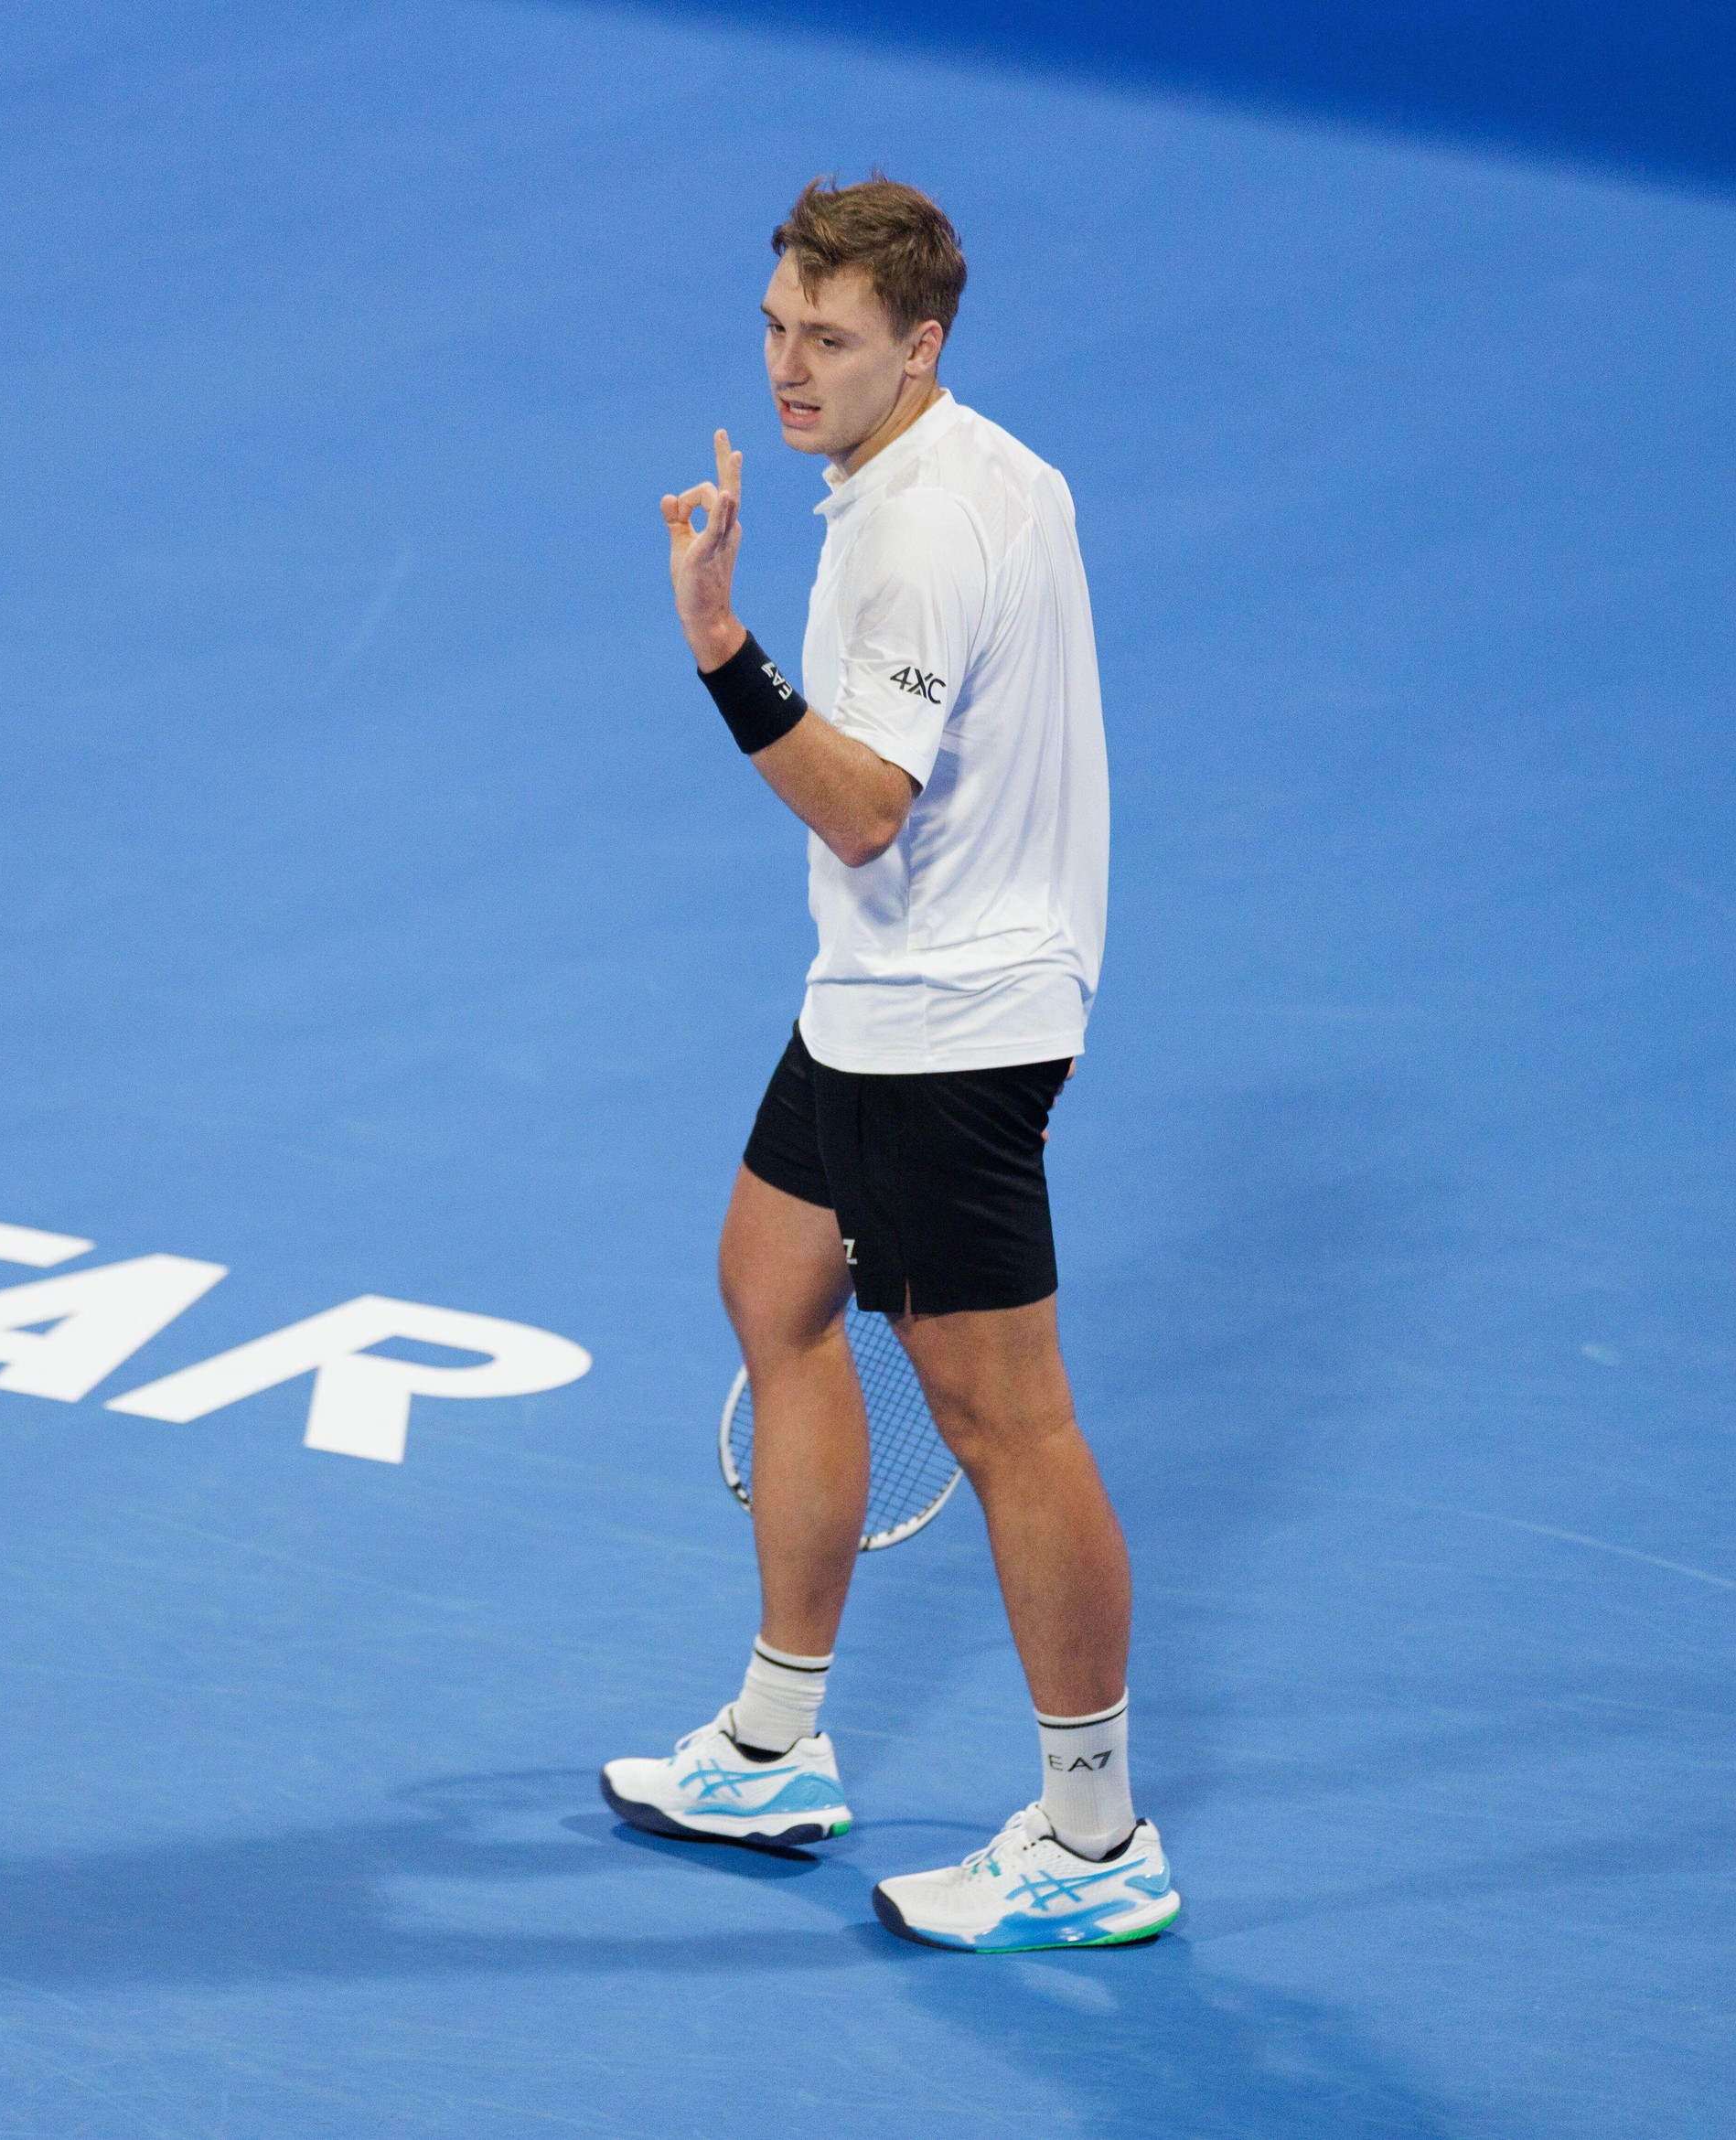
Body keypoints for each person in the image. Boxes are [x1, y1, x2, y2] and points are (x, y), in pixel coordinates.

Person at [595, 177, 1179, 1953]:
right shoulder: (999, 468)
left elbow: (863, 808)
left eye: (826, 341)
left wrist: (717, 647)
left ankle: (1089, 1843)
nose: (786, 366)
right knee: (770, 1285)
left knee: (1009, 1427)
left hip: (943, 1022)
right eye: (775, 325)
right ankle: (775, 1738)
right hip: (897, 994)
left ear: (915, 343)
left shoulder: (908, 535)